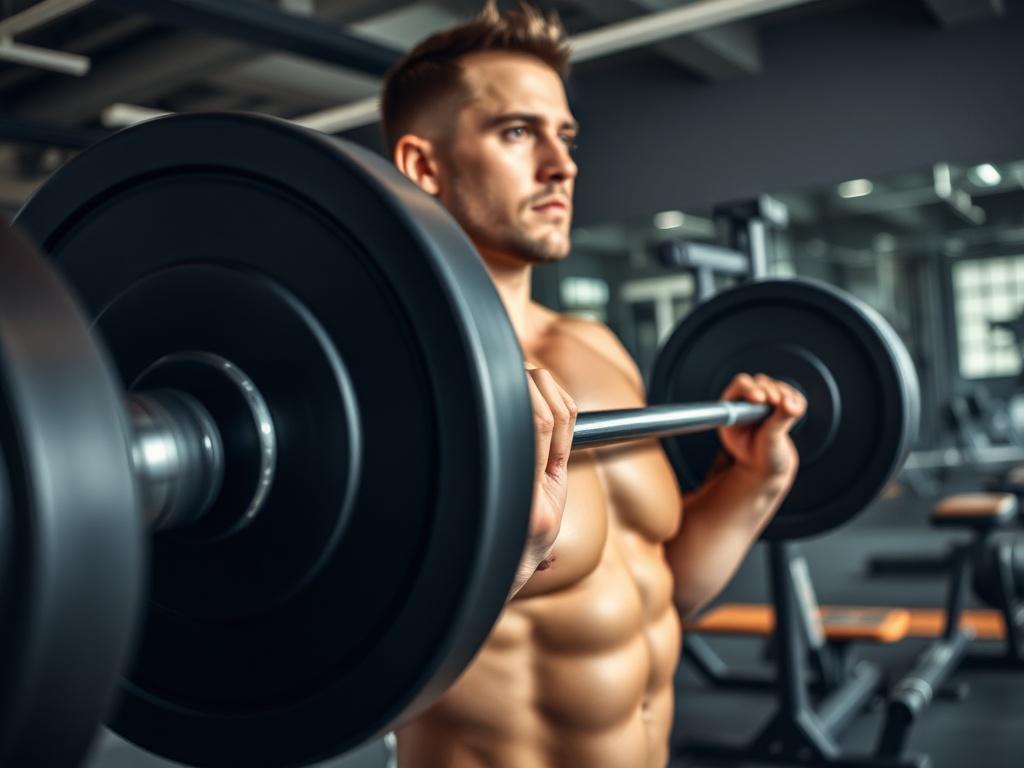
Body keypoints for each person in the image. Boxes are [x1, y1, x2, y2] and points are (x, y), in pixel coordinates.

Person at [382, 3, 806, 766]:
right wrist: (491, 573)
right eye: (517, 132)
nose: (562, 163)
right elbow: (341, 671)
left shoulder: (595, 346)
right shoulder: (394, 383)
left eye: (565, 135)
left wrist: (753, 486)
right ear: (424, 166)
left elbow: (659, 589)